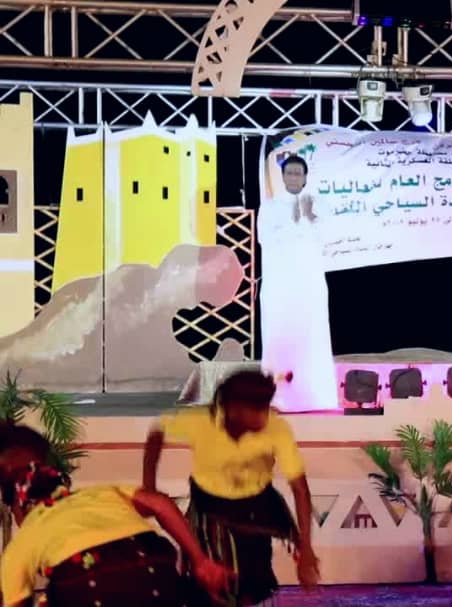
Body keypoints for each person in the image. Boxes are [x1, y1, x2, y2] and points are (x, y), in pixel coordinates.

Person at [0, 425, 234, 606]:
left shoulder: (23, 541)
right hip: (154, 567)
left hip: (86, 583)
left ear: (17, 507)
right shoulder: (103, 494)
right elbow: (160, 504)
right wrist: (200, 560)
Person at [142, 370, 320, 606]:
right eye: (256, 409)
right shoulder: (199, 420)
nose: (264, 416)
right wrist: (149, 487)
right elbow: (157, 431)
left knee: (252, 586)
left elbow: (300, 489)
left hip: (257, 508)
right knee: (212, 584)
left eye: (265, 407)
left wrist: (306, 548)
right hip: (209, 510)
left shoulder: (277, 428)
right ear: (233, 407)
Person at [258, 153, 339, 412]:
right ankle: (278, 396)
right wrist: (294, 222)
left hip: (309, 283)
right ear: (283, 177)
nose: (293, 177)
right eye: (289, 173)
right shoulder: (270, 206)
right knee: (280, 337)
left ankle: (316, 396)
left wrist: (310, 217)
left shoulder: (318, 204)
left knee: (312, 337)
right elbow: (265, 239)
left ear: (305, 178)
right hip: (280, 285)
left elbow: (329, 237)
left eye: (298, 173)